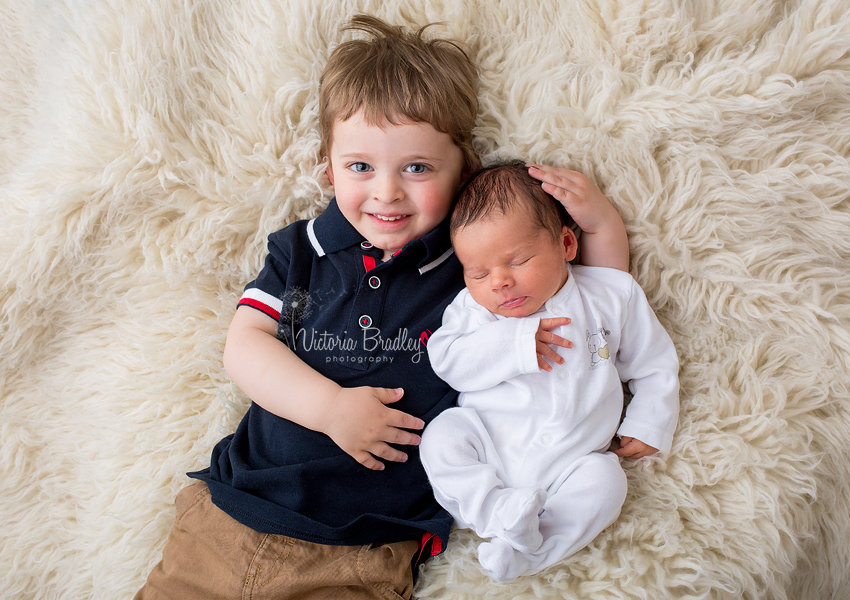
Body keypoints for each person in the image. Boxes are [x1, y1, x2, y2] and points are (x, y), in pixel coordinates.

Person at [134, 15, 630, 600]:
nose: (387, 191)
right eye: (360, 167)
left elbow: (593, 299)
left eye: (416, 168)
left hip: (367, 550)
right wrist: (330, 409)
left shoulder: (466, 268)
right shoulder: (302, 251)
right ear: (328, 167)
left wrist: (599, 221)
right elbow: (244, 346)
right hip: (235, 514)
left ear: (463, 172)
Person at [420, 162, 680, 582]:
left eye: (518, 260)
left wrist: (651, 419)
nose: (499, 282)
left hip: (572, 463)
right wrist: (514, 344)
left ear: (566, 244)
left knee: (607, 484)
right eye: (478, 272)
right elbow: (448, 361)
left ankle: (529, 552)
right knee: (443, 436)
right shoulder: (473, 310)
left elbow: (654, 361)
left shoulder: (608, 295)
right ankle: (496, 513)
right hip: (490, 449)